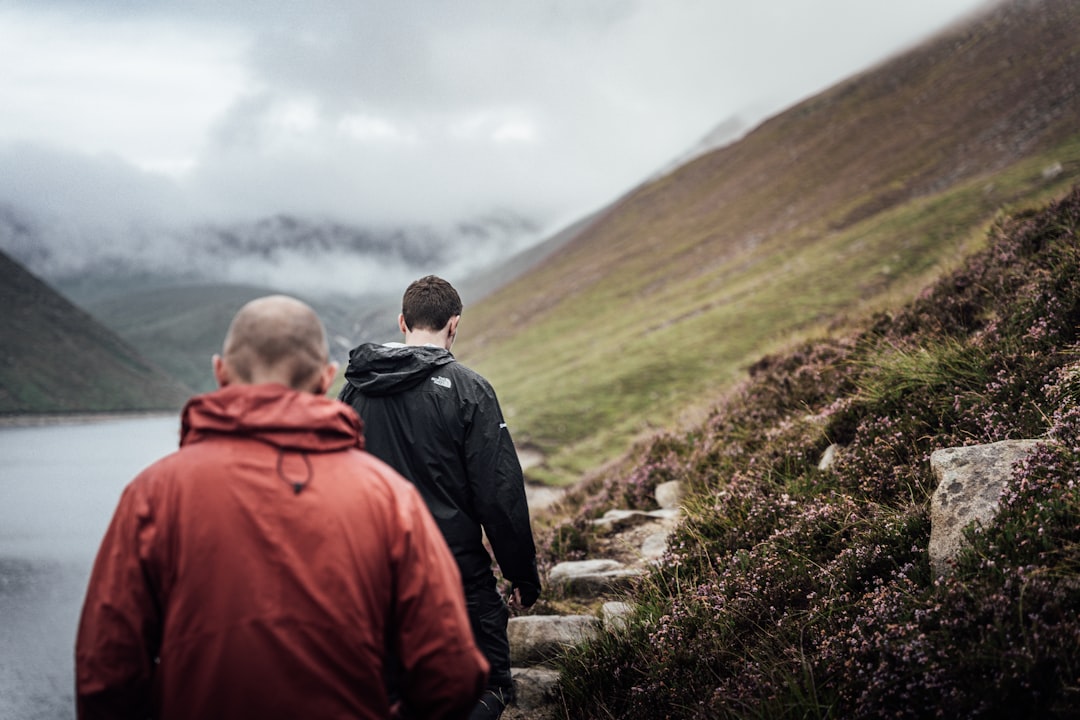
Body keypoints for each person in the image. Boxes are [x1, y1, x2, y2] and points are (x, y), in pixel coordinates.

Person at [75, 295, 488, 720]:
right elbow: (451, 673)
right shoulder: (388, 498)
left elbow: (104, 674)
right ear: (326, 379)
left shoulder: (152, 494)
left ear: (221, 371)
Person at [338, 275, 542, 720]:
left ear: (402, 322)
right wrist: (522, 574)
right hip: (456, 576)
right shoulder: (471, 390)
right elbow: (500, 493)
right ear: (454, 325)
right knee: (488, 686)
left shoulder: (354, 390)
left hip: (373, 578)